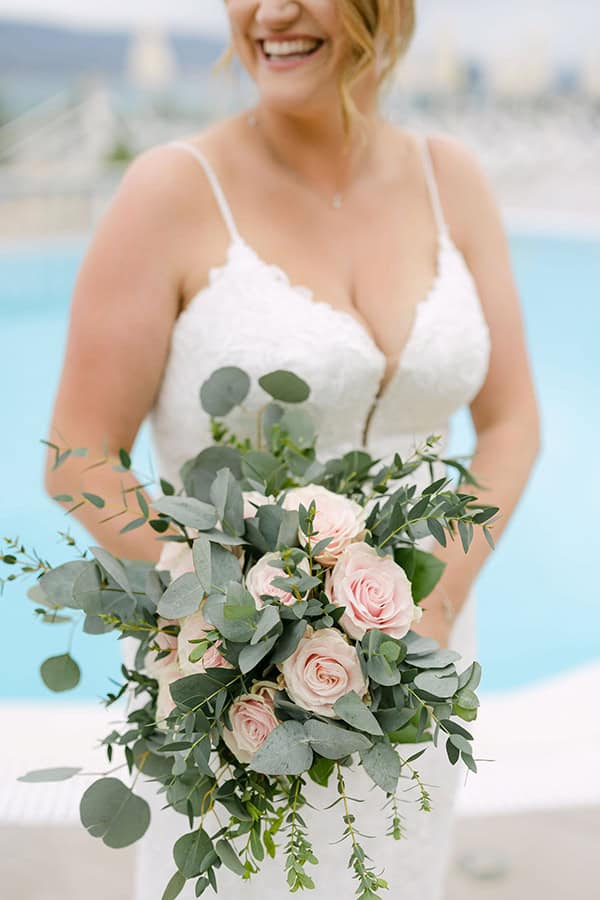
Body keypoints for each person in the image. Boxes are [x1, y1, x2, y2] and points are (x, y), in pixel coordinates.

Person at [44, 1, 541, 898]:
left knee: (395, 868)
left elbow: (512, 423)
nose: (270, 12)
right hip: (234, 689)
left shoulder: (452, 180)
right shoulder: (170, 190)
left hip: (418, 663)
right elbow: (79, 457)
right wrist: (239, 617)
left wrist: (434, 600)